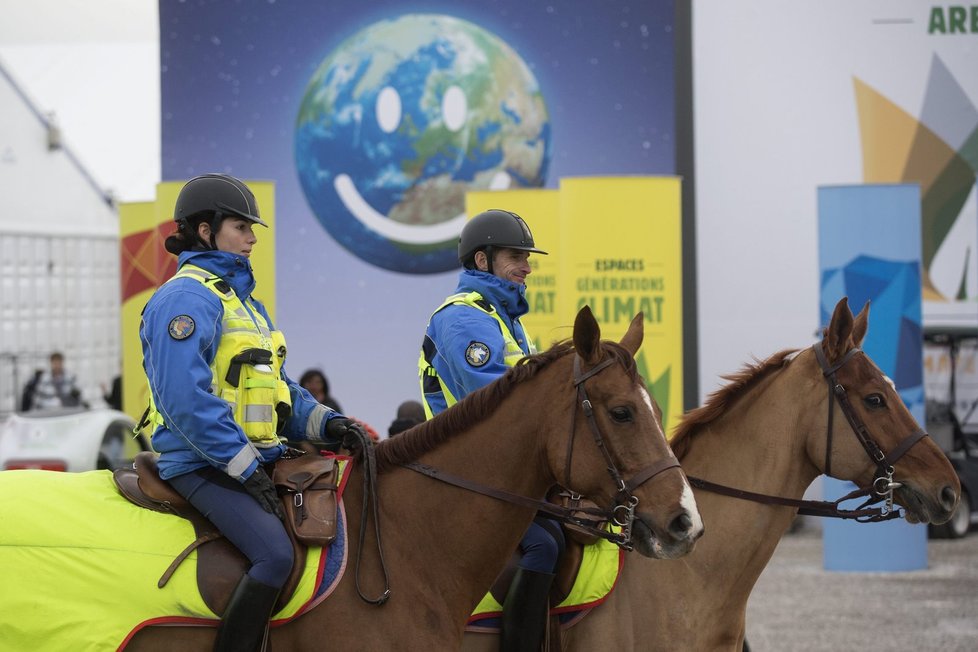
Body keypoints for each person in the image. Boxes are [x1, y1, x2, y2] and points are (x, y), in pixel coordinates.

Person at [139, 173, 363, 652]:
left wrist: (331, 423)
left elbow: (280, 391)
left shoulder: (245, 304)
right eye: (241, 226)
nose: (252, 238)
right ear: (206, 231)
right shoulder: (186, 298)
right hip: (201, 464)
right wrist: (243, 466)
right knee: (275, 556)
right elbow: (186, 401)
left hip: (255, 459)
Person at [418, 209, 564, 652]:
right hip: (465, 473)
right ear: (482, 261)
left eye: (528, 258)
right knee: (543, 547)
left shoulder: (505, 320)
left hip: (499, 471)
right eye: (516, 256)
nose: (526, 267)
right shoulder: (464, 319)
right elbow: (498, 406)